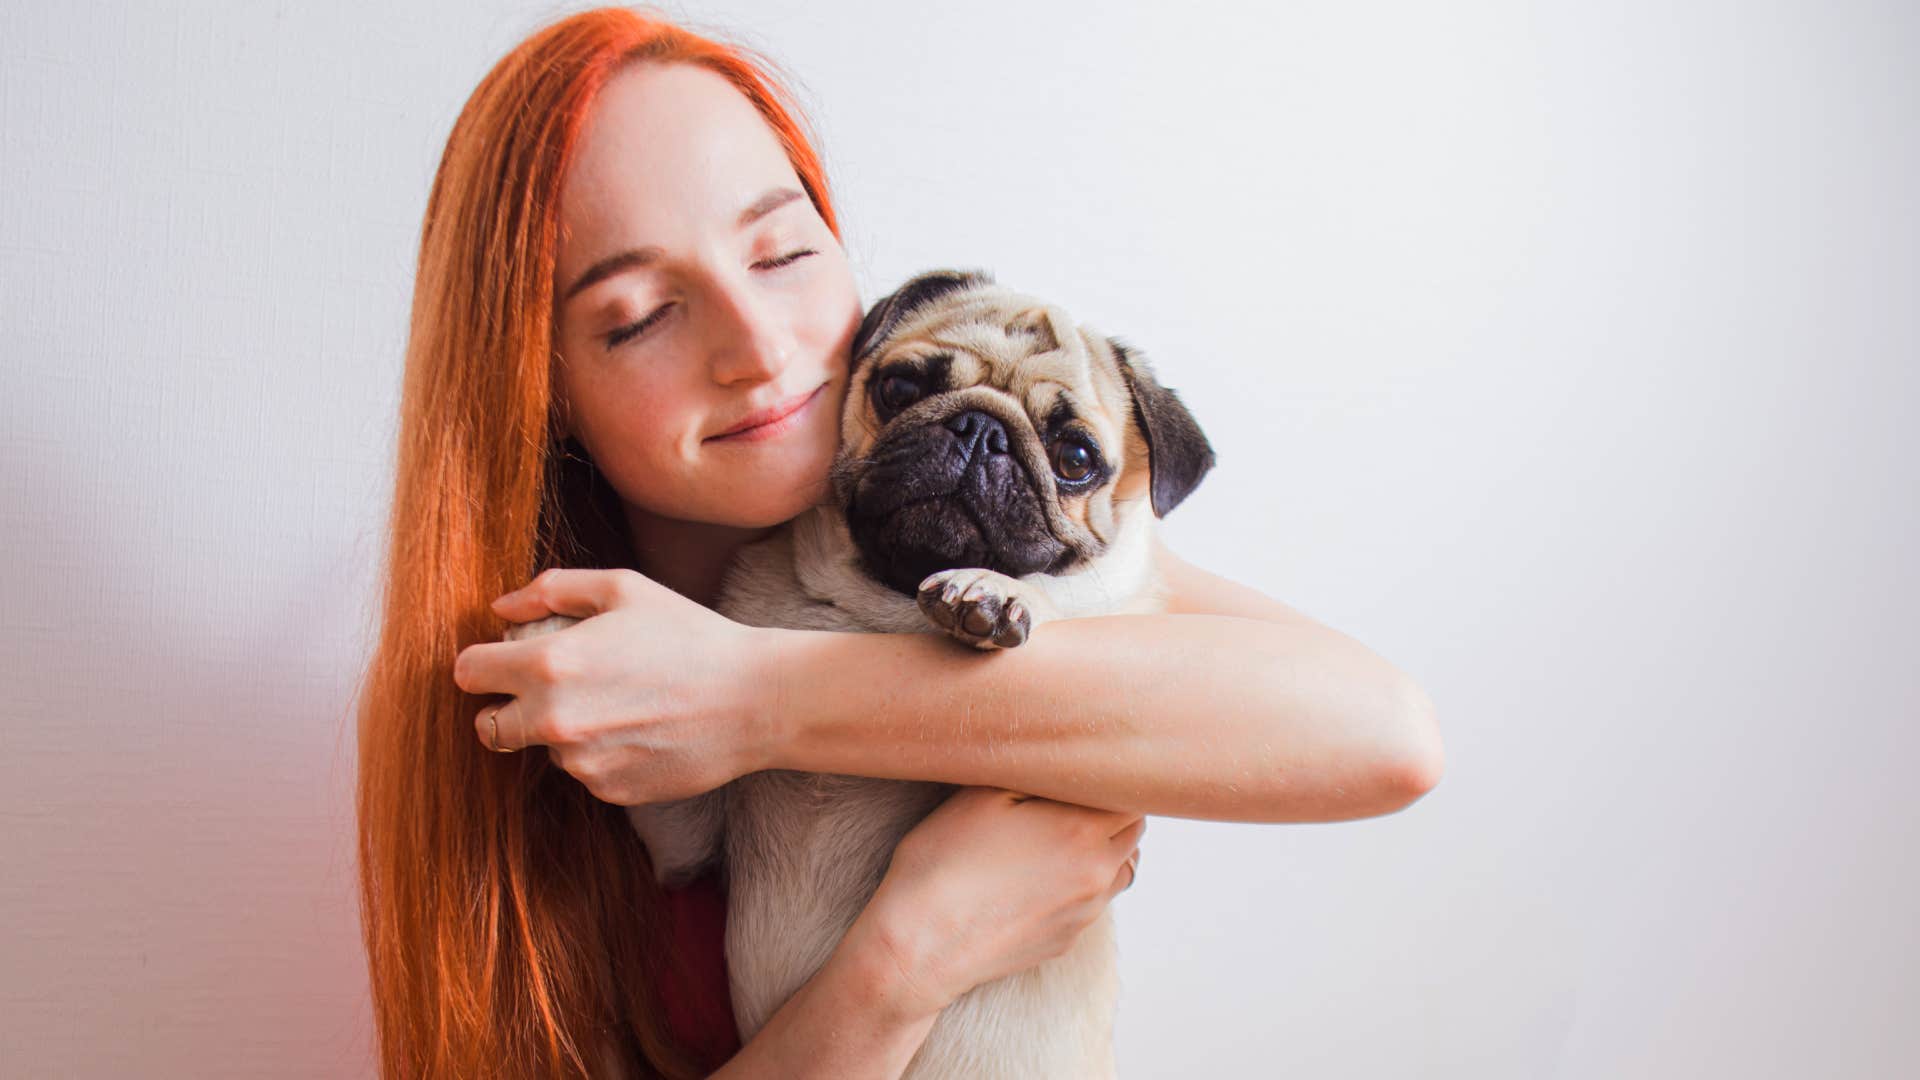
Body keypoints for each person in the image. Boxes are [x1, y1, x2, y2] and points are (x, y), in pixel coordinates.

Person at [356, 7, 1443, 1079]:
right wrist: (902, 963)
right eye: (642, 314)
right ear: (535, 388)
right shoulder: (501, 713)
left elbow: (1384, 733)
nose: (758, 344)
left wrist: (751, 696)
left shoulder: (1038, 562)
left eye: (782, 253)